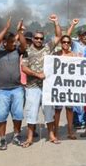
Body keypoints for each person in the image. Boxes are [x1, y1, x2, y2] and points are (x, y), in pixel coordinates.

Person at [21, 14, 62, 147]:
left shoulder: (47, 47)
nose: (39, 40)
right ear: (32, 39)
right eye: (36, 38)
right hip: (32, 86)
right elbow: (24, 67)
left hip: (47, 87)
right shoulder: (27, 50)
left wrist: (56, 23)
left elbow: (58, 37)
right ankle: (30, 138)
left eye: (41, 38)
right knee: (32, 113)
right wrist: (37, 74)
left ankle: (51, 135)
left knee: (49, 112)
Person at [0, 17, 27, 150]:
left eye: (15, 41)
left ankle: (17, 136)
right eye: (12, 42)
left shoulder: (17, 52)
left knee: (17, 114)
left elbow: (24, 45)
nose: (15, 43)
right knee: (1, 115)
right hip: (1, 90)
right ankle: (2, 139)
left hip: (17, 89)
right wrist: (6, 28)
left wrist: (20, 32)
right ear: (4, 43)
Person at [53, 34, 78, 140]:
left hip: (70, 86)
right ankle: (55, 132)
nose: (66, 44)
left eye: (68, 42)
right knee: (57, 110)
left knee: (69, 109)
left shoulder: (74, 56)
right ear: (61, 43)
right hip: (58, 86)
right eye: (64, 42)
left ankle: (70, 131)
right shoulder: (55, 55)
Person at [66, 19, 86, 129]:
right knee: (76, 100)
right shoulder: (75, 45)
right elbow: (66, 37)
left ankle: (85, 120)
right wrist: (73, 25)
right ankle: (77, 121)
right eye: (82, 34)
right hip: (76, 76)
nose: (84, 36)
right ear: (79, 36)